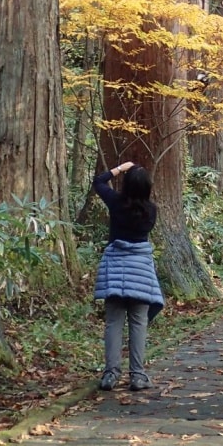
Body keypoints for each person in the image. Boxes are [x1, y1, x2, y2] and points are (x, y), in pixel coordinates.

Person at [93, 160, 164, 393]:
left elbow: (98, 182)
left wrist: (119, 168)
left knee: (113, 323)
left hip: (115, 269)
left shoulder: (115, 202)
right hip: (141, 271)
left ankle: (110, 374)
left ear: (125, 184)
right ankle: (137, 375)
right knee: (138, 323)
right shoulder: (151, 210)